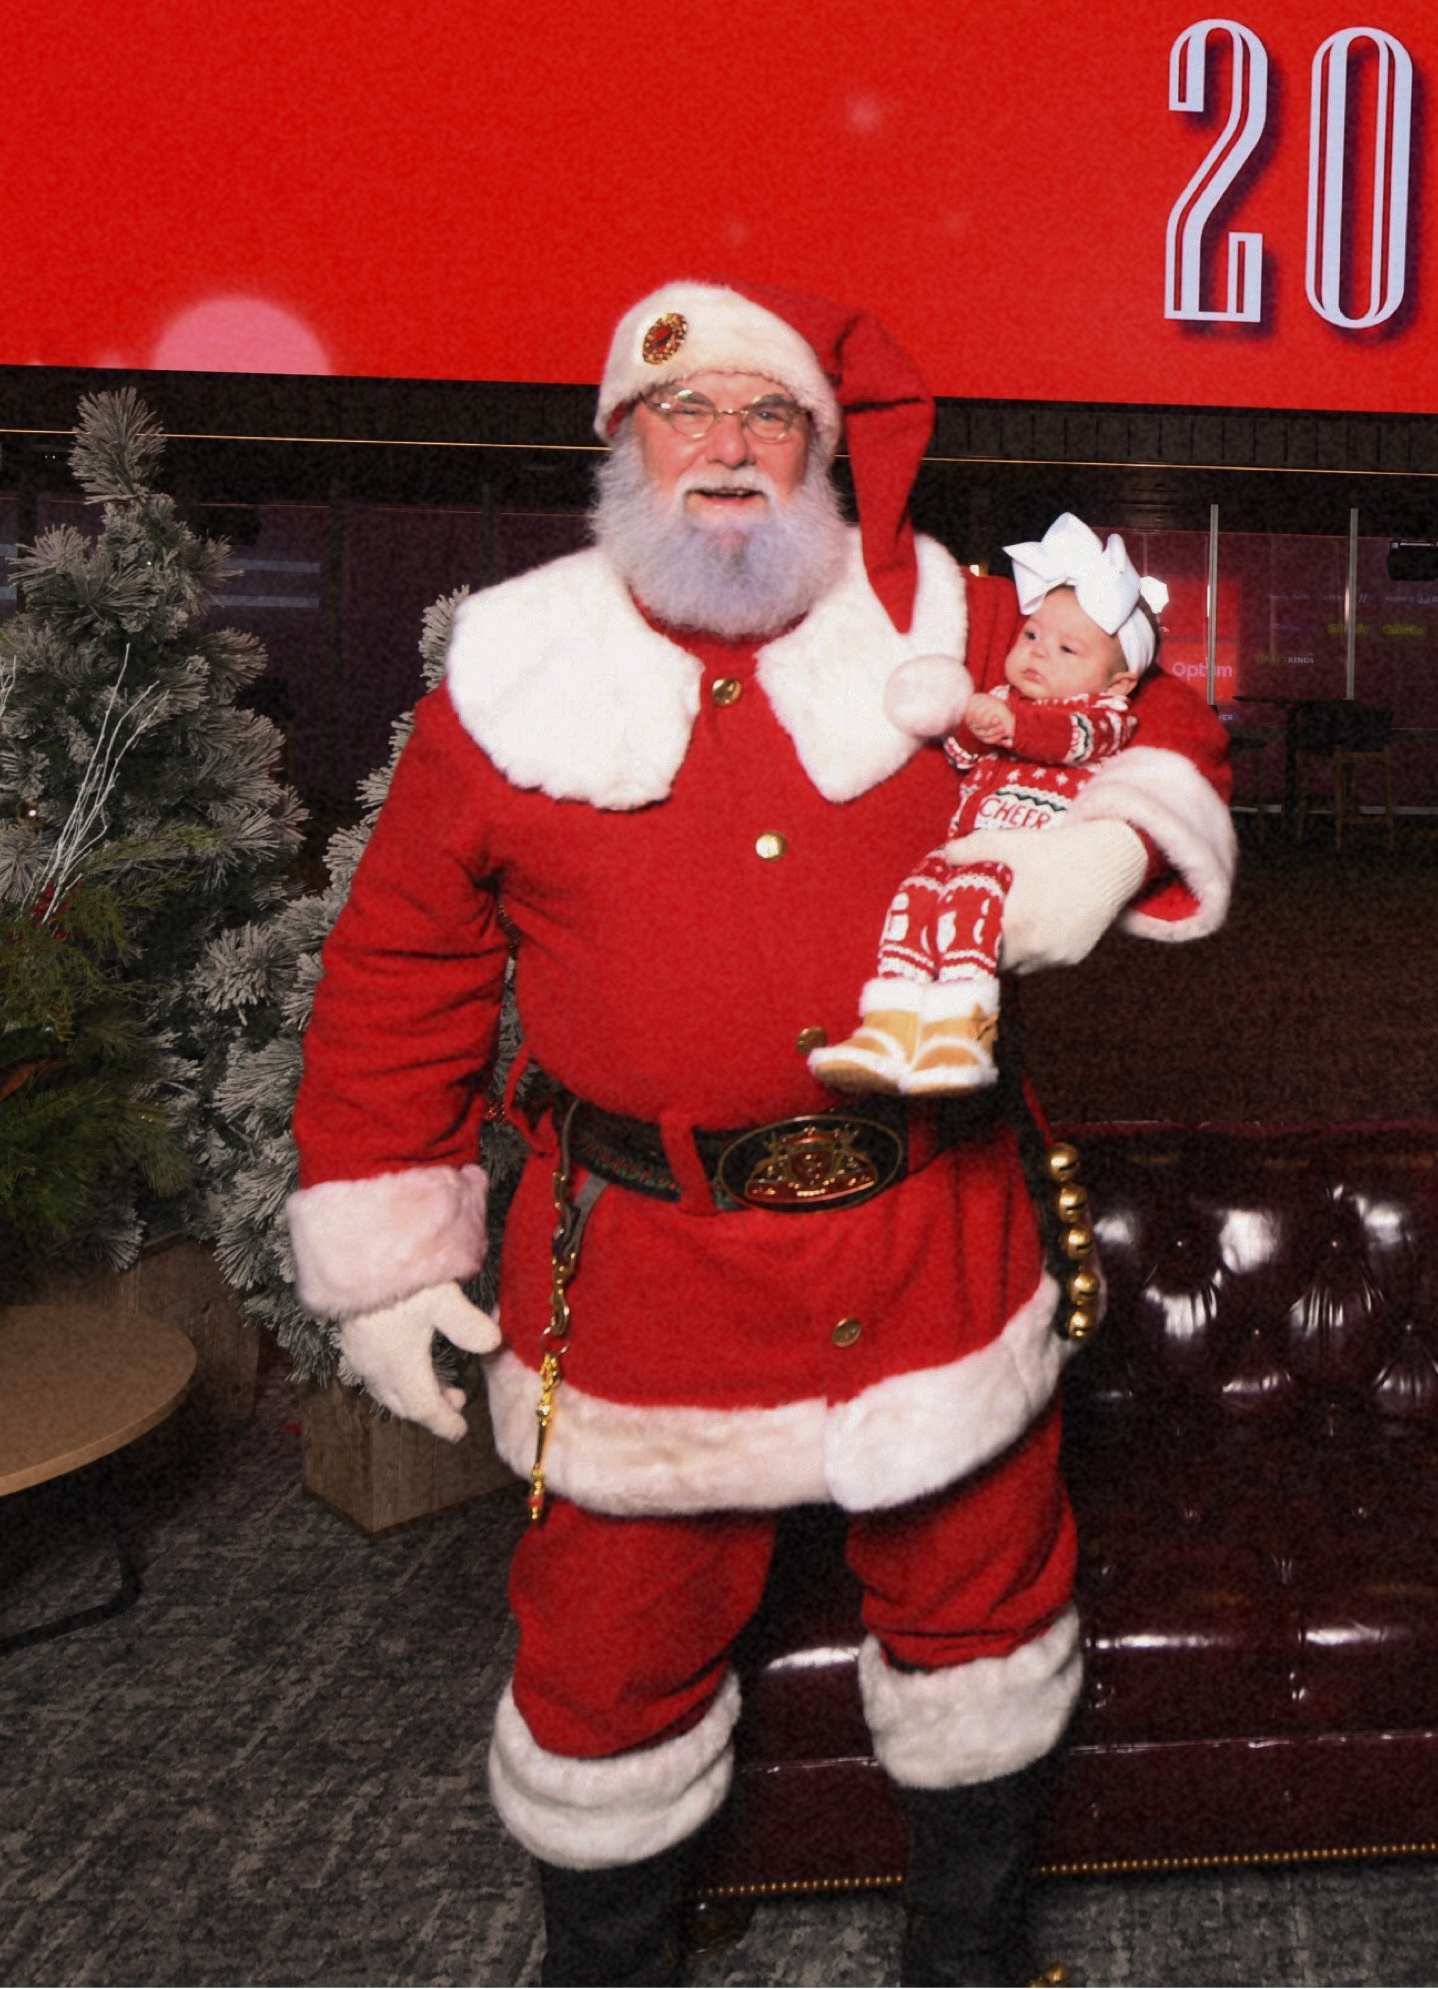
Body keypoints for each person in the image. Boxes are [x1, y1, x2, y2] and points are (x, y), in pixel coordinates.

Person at [285, 279, 1234, 1987]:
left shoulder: (943, 612)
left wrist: (1115, 835)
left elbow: (1157, 702)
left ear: (818, 451)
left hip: (927, 1244)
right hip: (641, 1274)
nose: (724, 448)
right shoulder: (509, 673)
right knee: (603, 1671)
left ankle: (964, 1959)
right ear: (618, 448)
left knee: (985, 1623)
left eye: (766, 415)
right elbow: (399, 973)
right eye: (682, 412)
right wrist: (384, 1263)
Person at [808, 512, 1169, 1098]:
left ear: (1119, 682)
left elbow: (1073, 739)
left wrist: (1013, 725)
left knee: (970, 922)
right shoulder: (1005, 695)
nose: (1038, 654)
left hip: (1025, 854)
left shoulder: (1106, 715)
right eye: (1031, 636)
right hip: (963, 842)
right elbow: (959, 753)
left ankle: (963, 1032)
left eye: (1067, 648)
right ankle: (890, 1026)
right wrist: (974, 725)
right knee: (914, 902)